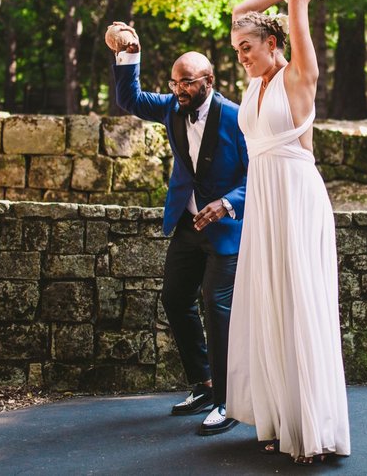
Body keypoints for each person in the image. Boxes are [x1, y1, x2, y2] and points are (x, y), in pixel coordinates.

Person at [225, 0, 351, 464]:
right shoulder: (252, 86)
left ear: (272, 45)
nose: (241, 57)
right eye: (238, 51)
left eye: (247, 49)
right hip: (263, 199)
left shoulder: (299, 77)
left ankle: (310, 427)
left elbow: (295, 5)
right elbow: (241, 12)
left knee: (299, 302)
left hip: (296, 197)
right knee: (268, 301)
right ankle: (276, 418)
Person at [108, 23, 248, 436]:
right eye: (173, 82)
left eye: (186, 82)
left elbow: (259, 174)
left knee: (215, 307)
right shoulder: (172, 107)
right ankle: (204, 385)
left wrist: (227, 205)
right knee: (174, 299)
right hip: (187, 225)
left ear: (208, 81)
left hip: (226, 230)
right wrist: (130, 52)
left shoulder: (238, 118)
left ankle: (228, 401)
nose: (178, 89)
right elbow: (128, 98)